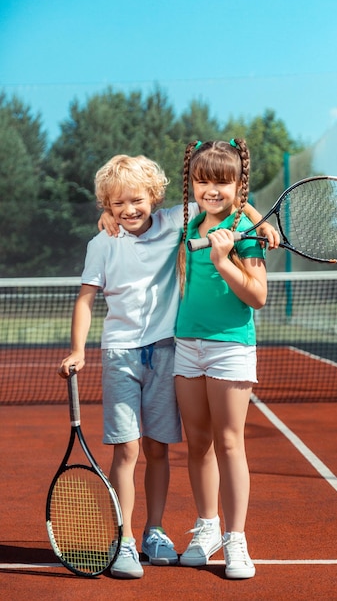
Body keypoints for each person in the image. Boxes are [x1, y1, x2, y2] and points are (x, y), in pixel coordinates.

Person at [59, 153, 278, 580]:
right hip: (122, 354)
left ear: (155, 198)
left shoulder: (177, 221)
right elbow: (85, 297)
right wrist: (78, 349)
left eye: (137, 200)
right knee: (129, 449)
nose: (129, 210)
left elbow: (228, 200)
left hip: (166, 351)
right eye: (117, 203)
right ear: (106, 204)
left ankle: (155, 531)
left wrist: (259, 221)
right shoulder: (102, 242)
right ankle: (122, 539)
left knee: (160, 449)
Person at [174, 139, 272, 580]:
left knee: (230, 442)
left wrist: (224, 257)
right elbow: (136, 218)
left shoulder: (247, 233)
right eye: (203, 180)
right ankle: (207, 527)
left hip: (230, 346)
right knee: (197, 443)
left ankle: (236, 539)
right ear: (192, 183)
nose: (211, 189)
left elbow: (258, 296)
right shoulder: (189, 223)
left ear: (238, 185)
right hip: (187, 345)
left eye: (221, 181)